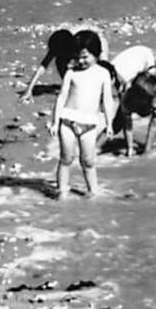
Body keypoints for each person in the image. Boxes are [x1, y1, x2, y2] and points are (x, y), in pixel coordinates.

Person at [51, 31, 115, 198]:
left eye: (85, 57)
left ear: (97, 54)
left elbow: (107, 100)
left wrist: (109, 124)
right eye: (77, 57)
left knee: (88, 161)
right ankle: (62, 191)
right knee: (66, 158)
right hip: (68, 121)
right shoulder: (71, 73)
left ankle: (92, 191)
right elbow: (62, 96)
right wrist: (55, 121)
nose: (81, 61)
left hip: (89, 124)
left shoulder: (103, 74)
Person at [105, 44, 156, 155]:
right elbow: (127, 125)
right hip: (130, 67)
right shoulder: (126, 97)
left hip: (148, 59)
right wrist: (129, 150)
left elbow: (154, 125)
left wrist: (147, 150)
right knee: (120, 117)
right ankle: (96, 148)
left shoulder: (153, 93)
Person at [21, 29, 79, 101]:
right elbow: (41, 69)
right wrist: (29, 90)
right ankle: (69, 85)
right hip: (67, 59)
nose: (54, 54)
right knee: (59, 61)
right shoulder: (57, 48)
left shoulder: (79, 48)